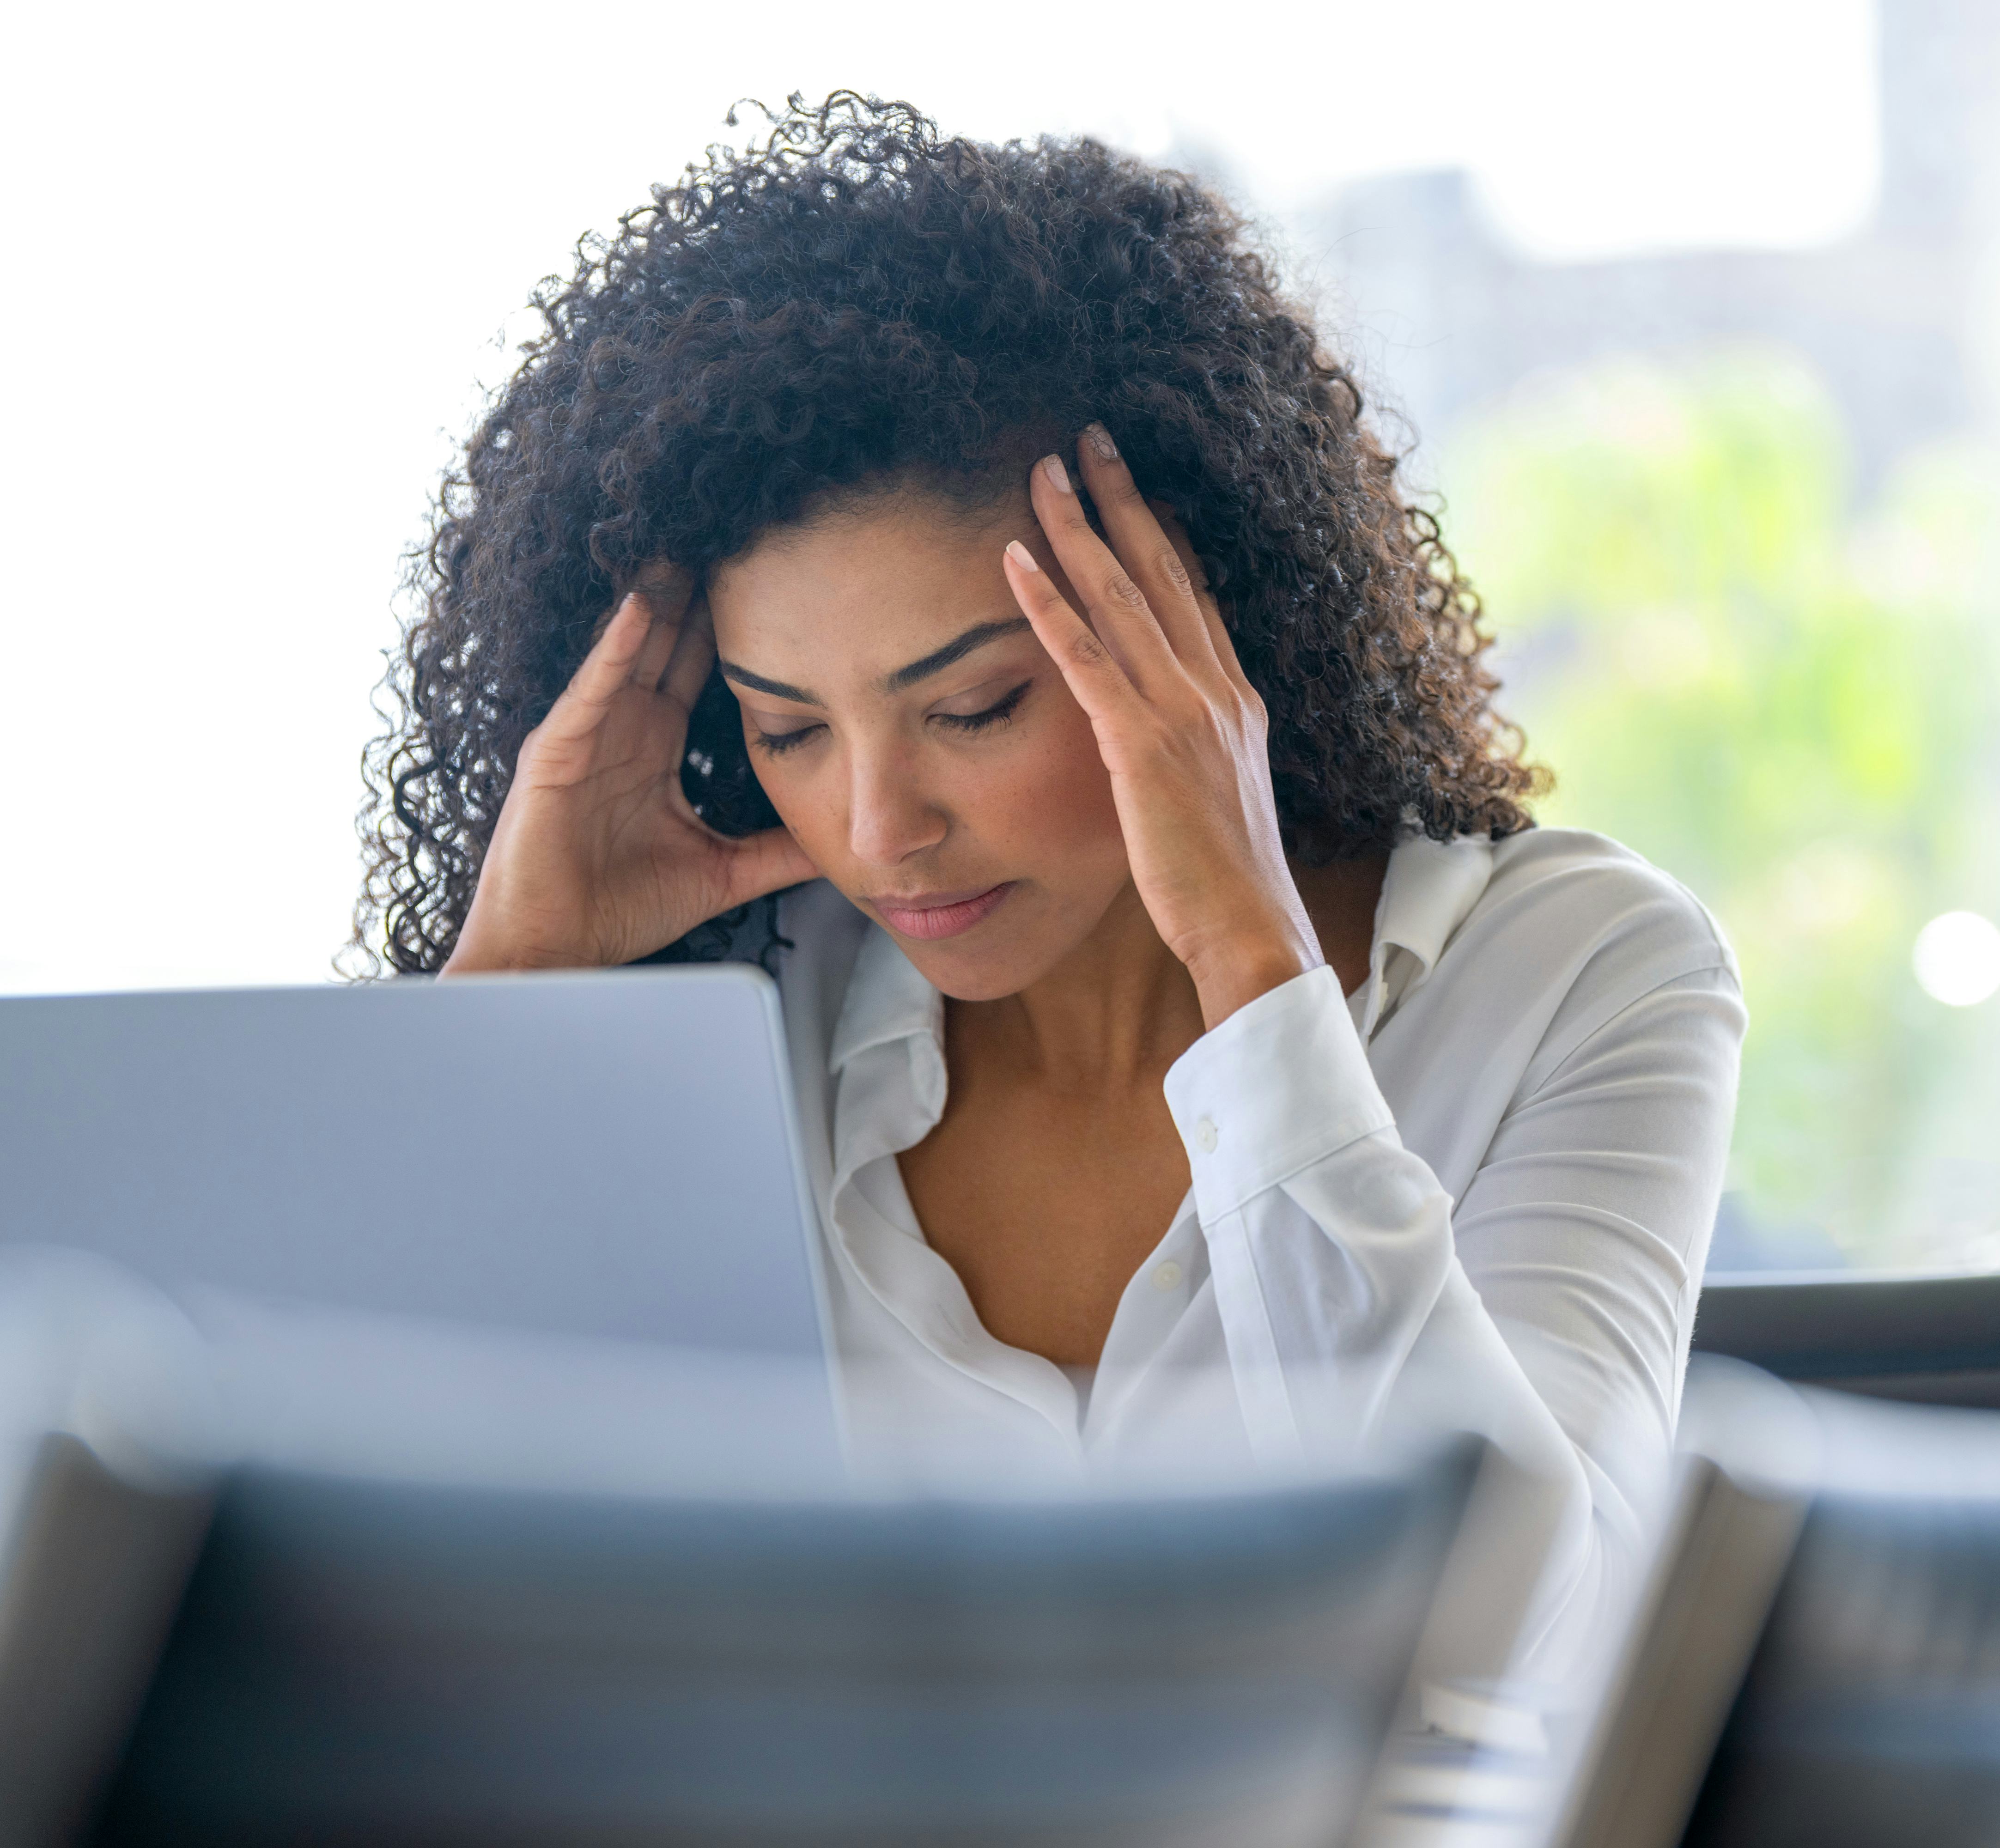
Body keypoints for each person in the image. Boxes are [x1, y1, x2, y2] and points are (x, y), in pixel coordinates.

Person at [360, 94, 1742, 1671]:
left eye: (975, 709)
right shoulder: (739, 1017)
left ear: (1202, 645)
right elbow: (391, 1618)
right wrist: (511, 991)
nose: (879, 831)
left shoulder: (1579, 973)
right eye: (789, 730)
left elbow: (1527, 1632)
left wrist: (1251, 962)